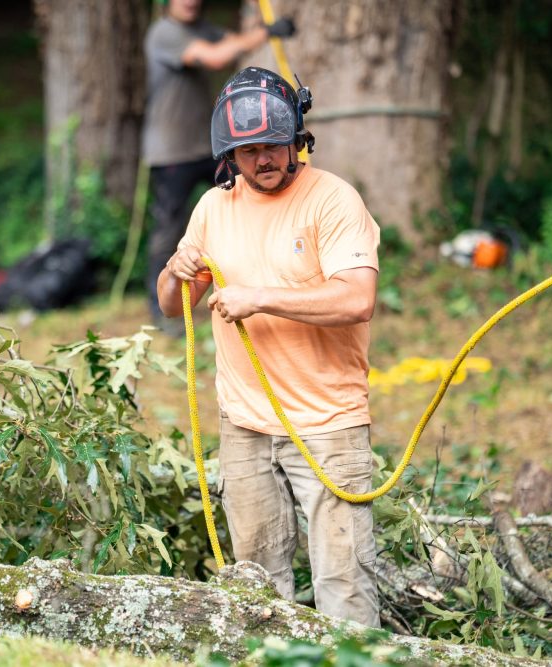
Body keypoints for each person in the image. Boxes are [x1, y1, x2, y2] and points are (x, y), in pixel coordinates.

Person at [156, 66, 382, 626]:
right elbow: (169, 303)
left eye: (274, 147)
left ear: (297, 140)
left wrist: (260, 298)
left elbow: (356, 300)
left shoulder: (333, 200)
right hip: (245, 428)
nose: (263, 161)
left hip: (329, 423)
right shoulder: (213, 208)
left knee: (345, 585)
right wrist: (176, 271)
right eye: (248, 150)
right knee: (256, 590)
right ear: (228, 155)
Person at [143, 0, 295, 331]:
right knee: (170, 228)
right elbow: (217, 57)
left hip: (211, 146)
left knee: (243, 206)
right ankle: (162, 310)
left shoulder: (204, 30)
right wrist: (267, 32)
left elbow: (232, 43)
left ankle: (257, 287)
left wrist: (256, 33)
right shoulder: (164, 33)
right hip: (171, 149)